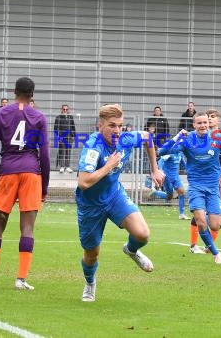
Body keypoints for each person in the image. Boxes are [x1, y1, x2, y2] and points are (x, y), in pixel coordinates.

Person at [76, 104, 165, 302]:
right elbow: (83, 182)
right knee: (91, 255)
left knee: (142, 234)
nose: (117, 130)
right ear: (101, 126)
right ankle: (90, 282)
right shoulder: (93, 147)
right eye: (112, 126)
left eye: (120, 125)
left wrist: (155, 169)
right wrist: (108, 166)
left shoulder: (125, 139)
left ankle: (131, 250)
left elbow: (148, 138)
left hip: (114, 195)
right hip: (90, 204)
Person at [0, 77, 50, 291]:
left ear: (14, 92)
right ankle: (20, 279)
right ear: (32, 94)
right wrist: (45, 186)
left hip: (7, 172)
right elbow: (45, 155)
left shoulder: (0, 113)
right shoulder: (39, 116)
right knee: (28, 227)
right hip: (31, 174)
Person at [159, 112, 221, 265]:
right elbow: (162, 152)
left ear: (209, 123)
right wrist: (176, 137)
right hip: (196, 187)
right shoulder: (187, 140)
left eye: (205, 122)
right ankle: (216, 253)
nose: (203, 125)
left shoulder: (218, 138)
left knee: (215, 225)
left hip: (213, 188)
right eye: (199, 123)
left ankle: (205, 220)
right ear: (194, 125)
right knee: (200, 222)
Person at [188, 108, 221, 254]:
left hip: (217, 180)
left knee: (219, 215)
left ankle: (209, 245)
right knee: (199, 215)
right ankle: (194, 244)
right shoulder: (197, 137)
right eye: (208, 117)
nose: (209, 119)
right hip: (200, 180)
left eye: (212, 117)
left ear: (218, 120)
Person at [147, 151, 189, 220]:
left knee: (182, 193)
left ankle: (181, 214)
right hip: (167, 178)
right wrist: (160, 170)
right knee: (169, 197)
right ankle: (155, 192)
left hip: (176, 177)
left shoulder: (180, 154)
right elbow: (161, 161)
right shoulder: (170, 153)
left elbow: (184, 164)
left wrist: (188, 170)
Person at [54, 104, 76, 173]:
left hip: (69, 137)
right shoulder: (58, 117)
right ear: (62, 110)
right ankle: (62, 167)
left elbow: (73, 127)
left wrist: (73, 136)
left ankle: (67, 166)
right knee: (62, 152)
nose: (65, 110)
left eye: (66, 109)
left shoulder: (70, 117)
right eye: (64, 109)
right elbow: (56, 128)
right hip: (62, 138)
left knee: (68, 152)